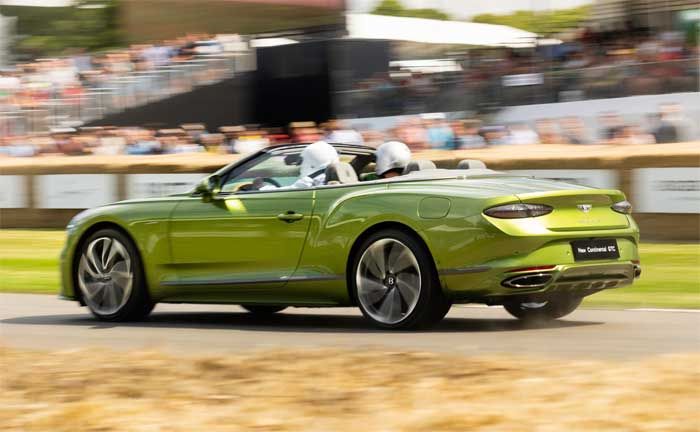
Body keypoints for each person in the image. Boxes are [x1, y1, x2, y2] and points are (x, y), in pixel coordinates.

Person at [262, 141, 339, 190]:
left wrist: (261, 188)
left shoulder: (309, 182)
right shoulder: (338, 179)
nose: (301, 165)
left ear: (311, 162)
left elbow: (284, 192)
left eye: (302, 161)